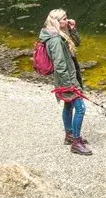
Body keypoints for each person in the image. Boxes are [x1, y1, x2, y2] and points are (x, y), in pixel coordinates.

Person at [39, 9, 92, 156]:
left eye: (66, 17)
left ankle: (69, 136)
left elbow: (77, 43)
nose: (67, 20)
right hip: (66, 79)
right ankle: (76, 142)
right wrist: (71, 85)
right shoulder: (55, 39)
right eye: (64, 19)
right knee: (80, 108)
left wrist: (72, 29)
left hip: (67, 77)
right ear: (56, 21)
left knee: (68, 105)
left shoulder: (60, 33)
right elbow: (60, 64)